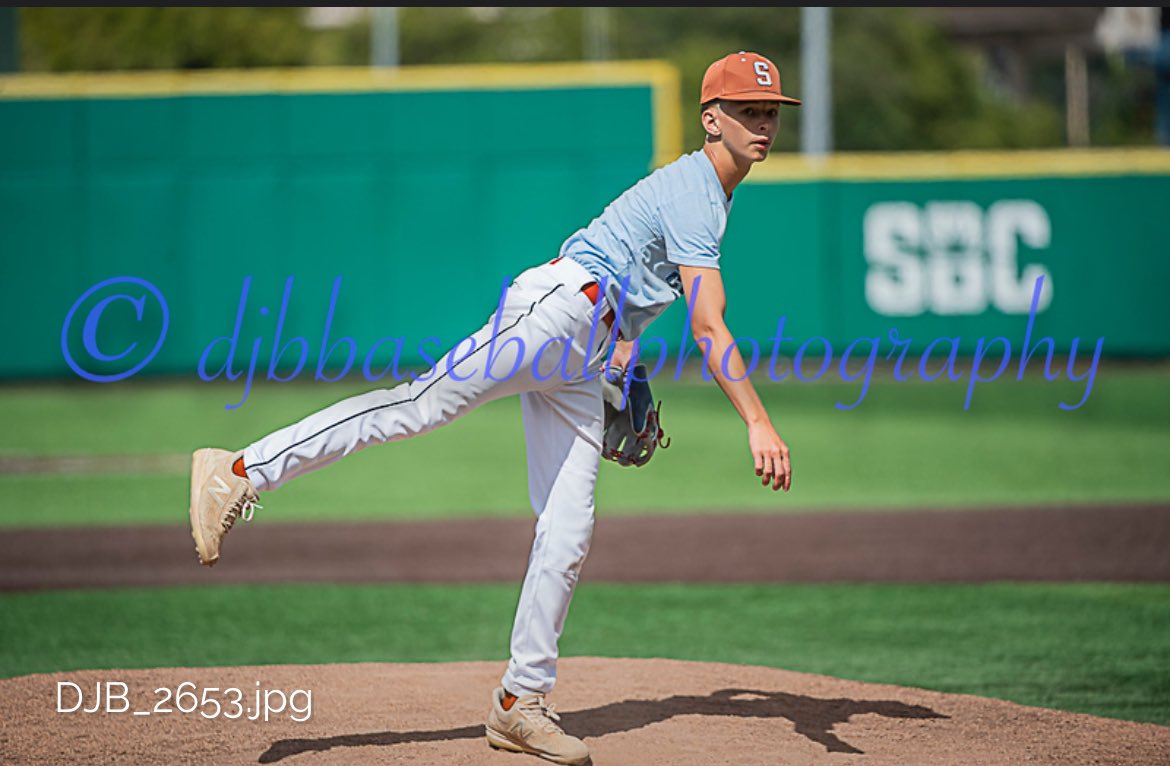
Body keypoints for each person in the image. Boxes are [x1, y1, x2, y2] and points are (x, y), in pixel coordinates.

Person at [188, 50, 798, 766]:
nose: (762, 123)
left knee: (569, 527)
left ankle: (519, 703)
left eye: (770, 112)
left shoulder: (712, 195)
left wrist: (622, 355)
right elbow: (708, 324)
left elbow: (641, 282)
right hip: (558, 311)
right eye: (748, 110)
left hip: (587, 346)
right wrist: (757, 420)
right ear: (710, 118)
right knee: (417, 406)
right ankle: (240, 468)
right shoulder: (698, 189)